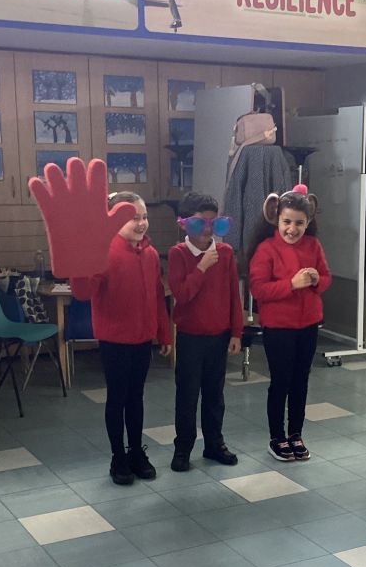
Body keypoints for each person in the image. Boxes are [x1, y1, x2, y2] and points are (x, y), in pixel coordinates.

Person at [71, 191, 171, 485]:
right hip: (115, 340)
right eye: (133, 218)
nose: (141, 223)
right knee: (117, 398)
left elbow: (157, 296)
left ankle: (136, 451)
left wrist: (164, 332)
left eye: (144, 217)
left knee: (136, 397)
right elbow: (83, 292)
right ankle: (118, 456)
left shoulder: (151, 254)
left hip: (142, 339)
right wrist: (79, 262)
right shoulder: (103, 253)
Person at [248, 183, 331, 462]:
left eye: (299, 223)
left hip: (308, 324)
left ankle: (296, 433)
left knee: (300, 381)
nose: (292, 229)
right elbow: (259, 289)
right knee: (281, 381)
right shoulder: (266, 249)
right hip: (279, 327)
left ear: (308, 222)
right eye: (287, 222)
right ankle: (277, 437)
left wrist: (317, 280)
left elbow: (326, 278)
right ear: (276, 219)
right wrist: (291, 284)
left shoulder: (314, 245)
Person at [168, 192, 244, 472]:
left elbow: (234, 295)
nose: (208, 230)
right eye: (201, 223)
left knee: (215, 395)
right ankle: (182, 448)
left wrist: (236, 332)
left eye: (214, 223)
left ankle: (214, 443)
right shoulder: (178, 254)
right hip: (190, 338)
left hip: (219, 336)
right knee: (187, 396)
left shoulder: (225, 253)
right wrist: (201, 267)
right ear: (185, 224)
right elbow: (182, 294)